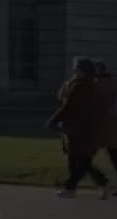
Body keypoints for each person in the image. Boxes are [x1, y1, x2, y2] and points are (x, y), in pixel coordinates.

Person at [48, 57, 113, 199]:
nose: (75, 72)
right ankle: (101, 183)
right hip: (87, 129)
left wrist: (54, 119)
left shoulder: (79, 86)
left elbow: (68, 106)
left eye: (77, 69)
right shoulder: (92, 87)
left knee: (79, 161)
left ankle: (71, 187)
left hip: (78, 128)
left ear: (83, 71)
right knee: (81, 161)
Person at [94, 61, 117, 196]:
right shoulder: (115, 84)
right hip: (112, 125)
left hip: (99, 124)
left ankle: (100, 181)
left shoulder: (97, 84)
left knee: (83, 156)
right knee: (115, 156)